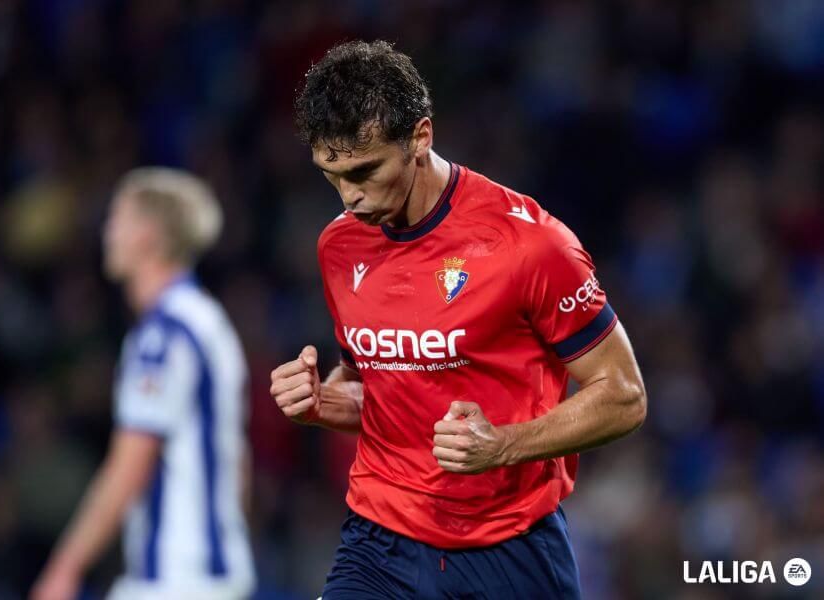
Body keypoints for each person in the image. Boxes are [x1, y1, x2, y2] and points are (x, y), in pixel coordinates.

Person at [270, 40, 647, 599]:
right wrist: (323, 401)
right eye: (332, 173)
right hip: (378, 541)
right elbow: (375, 384)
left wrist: (503, 446)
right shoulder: (339, 246)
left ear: (421, 137)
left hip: (510, 546)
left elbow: (624, 395)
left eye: (366, 170)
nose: (350, 197)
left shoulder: (532, 245)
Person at [32, 168, 255, 600]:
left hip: (176, 578)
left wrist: (65, 568)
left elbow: (130, 463)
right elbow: (237, 461)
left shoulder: (163, 334)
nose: (107, 231)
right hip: (215, 569)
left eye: (118, 218)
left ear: (148, 234)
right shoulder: (209, 321)